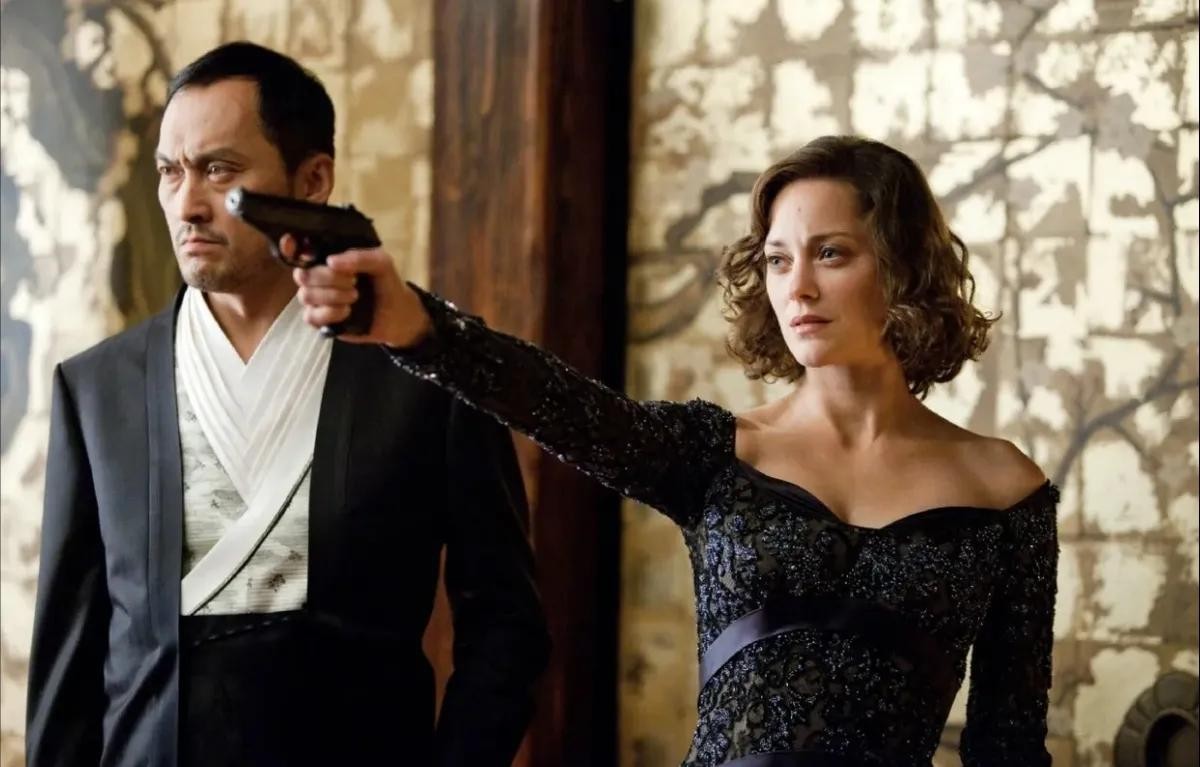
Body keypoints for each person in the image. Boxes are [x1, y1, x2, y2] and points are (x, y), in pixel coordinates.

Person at [293, 134, 1059, 767]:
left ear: (902, 265)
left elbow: (1010, 743)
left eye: (830, 253)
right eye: (778, 258)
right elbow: (563, 406)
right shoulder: (717, 453)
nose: (797, 287)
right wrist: (418, 326)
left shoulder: (1003, 487)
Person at [27, 41, 549, 767]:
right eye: (171, 171)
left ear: (313, 180)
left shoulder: (426, 370)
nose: (187, 204)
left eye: (220, 170)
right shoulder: (97, 389)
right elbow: (68, 669)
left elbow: (506, 627)